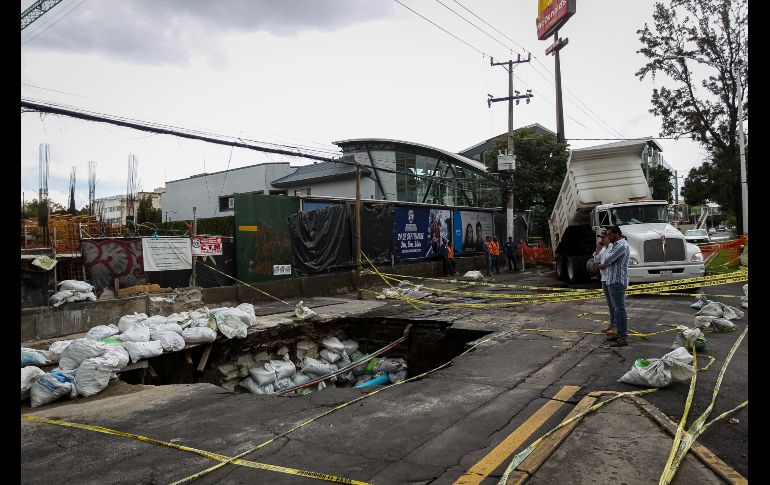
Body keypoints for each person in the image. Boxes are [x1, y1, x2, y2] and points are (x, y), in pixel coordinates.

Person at [598, 225, 630, 347]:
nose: (608, 237)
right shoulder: (614, 245)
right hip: (611, 280)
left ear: (617, 234)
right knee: (616, 310)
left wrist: (603, 264)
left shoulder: (621, 245)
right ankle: (618, 333)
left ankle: (623, 337)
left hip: (617, 281)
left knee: (620, 310)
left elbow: (607, 260)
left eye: (610, 235)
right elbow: (604, 258)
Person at [593, 230, 615, 337]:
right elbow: (596, 261)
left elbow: (607, 263)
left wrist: (603, 265)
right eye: (601, 237)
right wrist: (597, 250)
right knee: (610, 304)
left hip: (610, 279)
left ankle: (616, 326)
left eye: (604, 237)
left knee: (614, 304)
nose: (602, 239)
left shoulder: (612, 248)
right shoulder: (603, 250)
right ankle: (612, 324)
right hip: (604, 279)